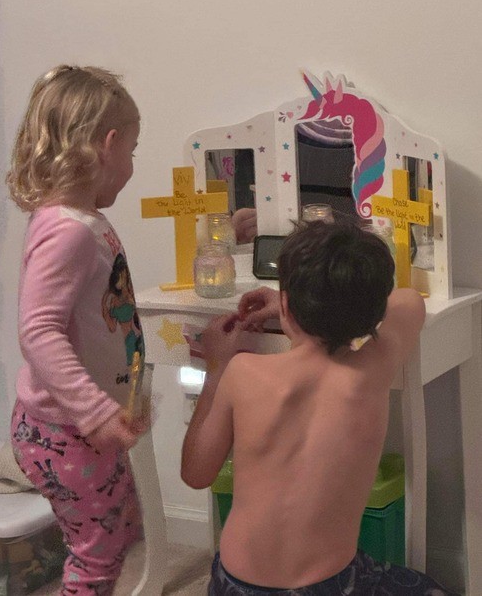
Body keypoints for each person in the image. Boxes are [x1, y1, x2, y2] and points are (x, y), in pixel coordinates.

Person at [181, 220, 458, 595]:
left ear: (286, 304)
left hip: (237, 585)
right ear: (369, 316)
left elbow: (196, 473)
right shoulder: (370, 370)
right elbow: (409, 301)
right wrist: (312, 303)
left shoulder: (242, 373)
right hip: (330, 586)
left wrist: (215, 370)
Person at [7, 65, 148, 595]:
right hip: (66, 431)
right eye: (133, 150)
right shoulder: (69, 231)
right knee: (96, 556)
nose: (132, 164)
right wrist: (95, 411)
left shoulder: (79, 219)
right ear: (108, 146)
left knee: (116, 532)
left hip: (76, 427)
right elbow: (39, 330)